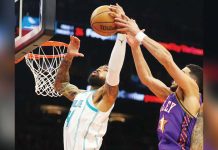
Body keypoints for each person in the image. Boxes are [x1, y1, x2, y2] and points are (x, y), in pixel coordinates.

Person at [112, 11, 203, 149]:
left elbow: (166, 60)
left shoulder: (192, 92)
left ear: (193, 82)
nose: (175, 75)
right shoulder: (171, 96)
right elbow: (147, 78)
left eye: (182, 73)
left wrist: (138, 33)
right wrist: (135, 47)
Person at [54, 6, 127, 148]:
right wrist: (68, 58)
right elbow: (60, 84)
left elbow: (114, 70)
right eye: (98, 68)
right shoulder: (80, 95)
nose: (98, 69)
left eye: (104, 70)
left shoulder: (106, 95)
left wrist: (122, 33)